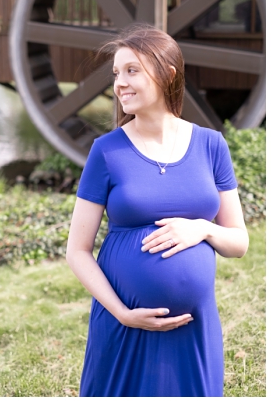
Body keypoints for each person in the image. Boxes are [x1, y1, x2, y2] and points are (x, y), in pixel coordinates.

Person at [65, 24, 248, 397]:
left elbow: (239, 241)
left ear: (167, 75)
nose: (120, 83)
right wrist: (122, 313)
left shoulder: (212, 145)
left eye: (132, 70)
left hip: (193, 327)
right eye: (116, 73)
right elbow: (77, 250)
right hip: (124, 325)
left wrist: (204, 229)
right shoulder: (107, 150)